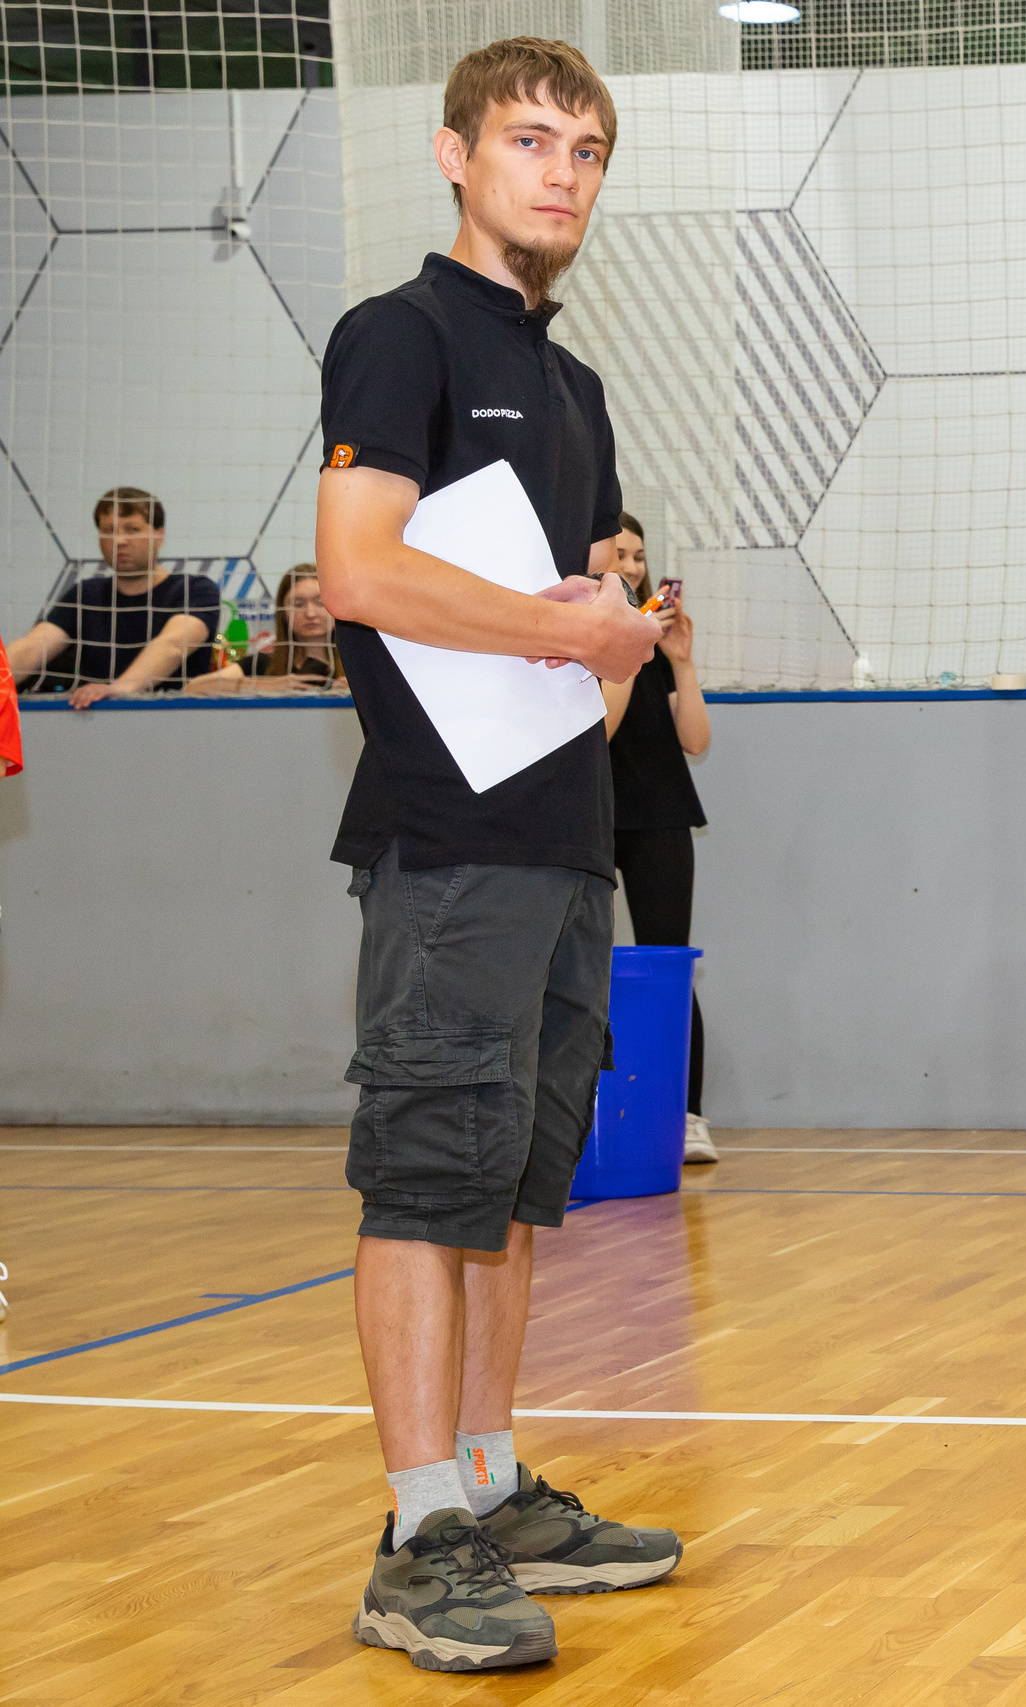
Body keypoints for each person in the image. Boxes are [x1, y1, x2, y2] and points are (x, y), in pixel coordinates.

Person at [315, 36, 679, 1674]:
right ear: (457, 156)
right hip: (446, 845)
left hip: (558, 838)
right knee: (426, 1178)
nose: (561, 173)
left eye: (587, 151)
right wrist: (563, 620)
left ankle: (486, 1478)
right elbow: (363, 572)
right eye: (531, 141)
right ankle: (415, 1534)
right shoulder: (397, 338)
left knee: (516, 1192)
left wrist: (613, 641)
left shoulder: (584, 390)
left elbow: (572, 666)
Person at [601, 512, 716, 1164]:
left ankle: (690, 1115)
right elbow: (599, 732)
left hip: (662, 817)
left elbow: (696, 740)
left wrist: (682, 662)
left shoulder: (658, 646)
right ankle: (588, 1115)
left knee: (670, 965)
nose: (634, 566)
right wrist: (624, 642)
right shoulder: (585, 638)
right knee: (579, 970)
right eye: (620, 554)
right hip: (591, 816)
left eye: (640, 556)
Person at [6, 489, 227, 706]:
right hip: (95, 724)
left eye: (132, 529)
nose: (120, 540)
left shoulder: (194, 590)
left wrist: (119, 689)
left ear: (159, 534)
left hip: (178, 724)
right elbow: (33, 647)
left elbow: (174, 645)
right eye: (109, 530)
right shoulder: (86, 594)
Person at [183, 564, 344, 694]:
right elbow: (194, 687)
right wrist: (265, 686)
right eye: (298, 604)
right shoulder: (263, 663)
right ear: (282, 612)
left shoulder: (357, 665)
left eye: (320, 602)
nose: (310, 613)